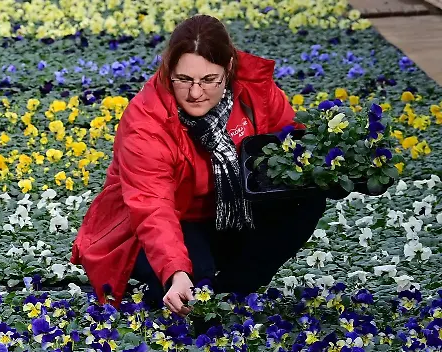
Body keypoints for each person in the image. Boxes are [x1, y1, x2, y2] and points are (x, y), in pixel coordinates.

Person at [70, 14, 327, 315]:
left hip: (227, 213)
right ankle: (193, 291)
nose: (195, 93)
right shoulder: (147, 119)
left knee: (305, 199)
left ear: (228, 69)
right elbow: (153, 205)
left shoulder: (256, 92)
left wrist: (337, 168)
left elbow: (290, 146)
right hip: (158, 224)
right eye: (184, 79)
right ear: (169, 70)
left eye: (208, 80)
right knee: (193, 277)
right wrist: (176, 272)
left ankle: (229, 294)